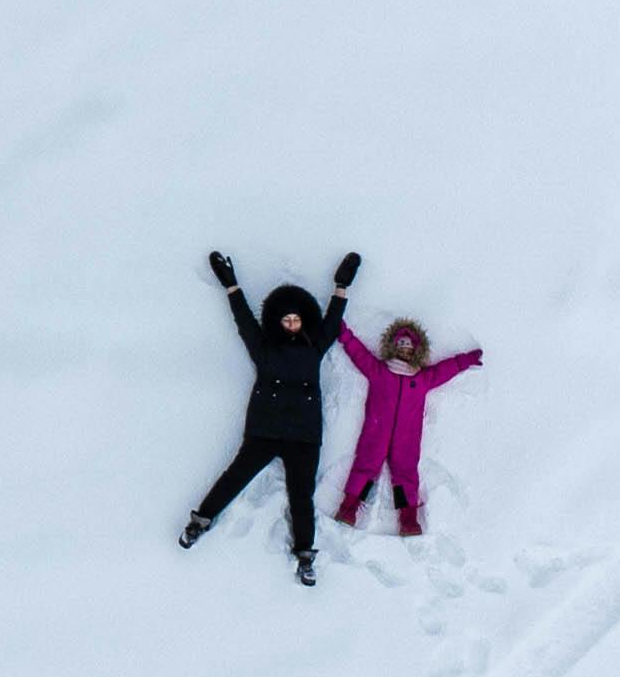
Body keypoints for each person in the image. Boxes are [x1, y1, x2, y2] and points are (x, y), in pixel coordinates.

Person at [180, 248, 358, 586]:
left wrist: (342, 286)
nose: (292, 324)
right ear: (277, 322)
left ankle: (305, 556)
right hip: (264, 429)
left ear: (304, 321)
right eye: (286, 320)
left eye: (296, 319)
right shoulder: (264, 349)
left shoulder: (314, 347)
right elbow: (245, 322)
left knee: (301, 496)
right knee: (234, 478)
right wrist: (231, 286)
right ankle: (200, 520)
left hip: (304, 436)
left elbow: (332, 324)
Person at [334, 315, 482, 537]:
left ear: (416, 350)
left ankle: (408, 519)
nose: (404, 348)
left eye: (408, 344)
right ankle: (349, 508)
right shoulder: (379, 372)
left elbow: (445, 370)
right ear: (393, 346)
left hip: (406, 438)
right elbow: (359, 354)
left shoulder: (421, 379)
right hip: (376, 432)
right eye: (401, 343)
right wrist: (344, 334)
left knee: (405, 476)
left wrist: (466, 360)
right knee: (365, 468)